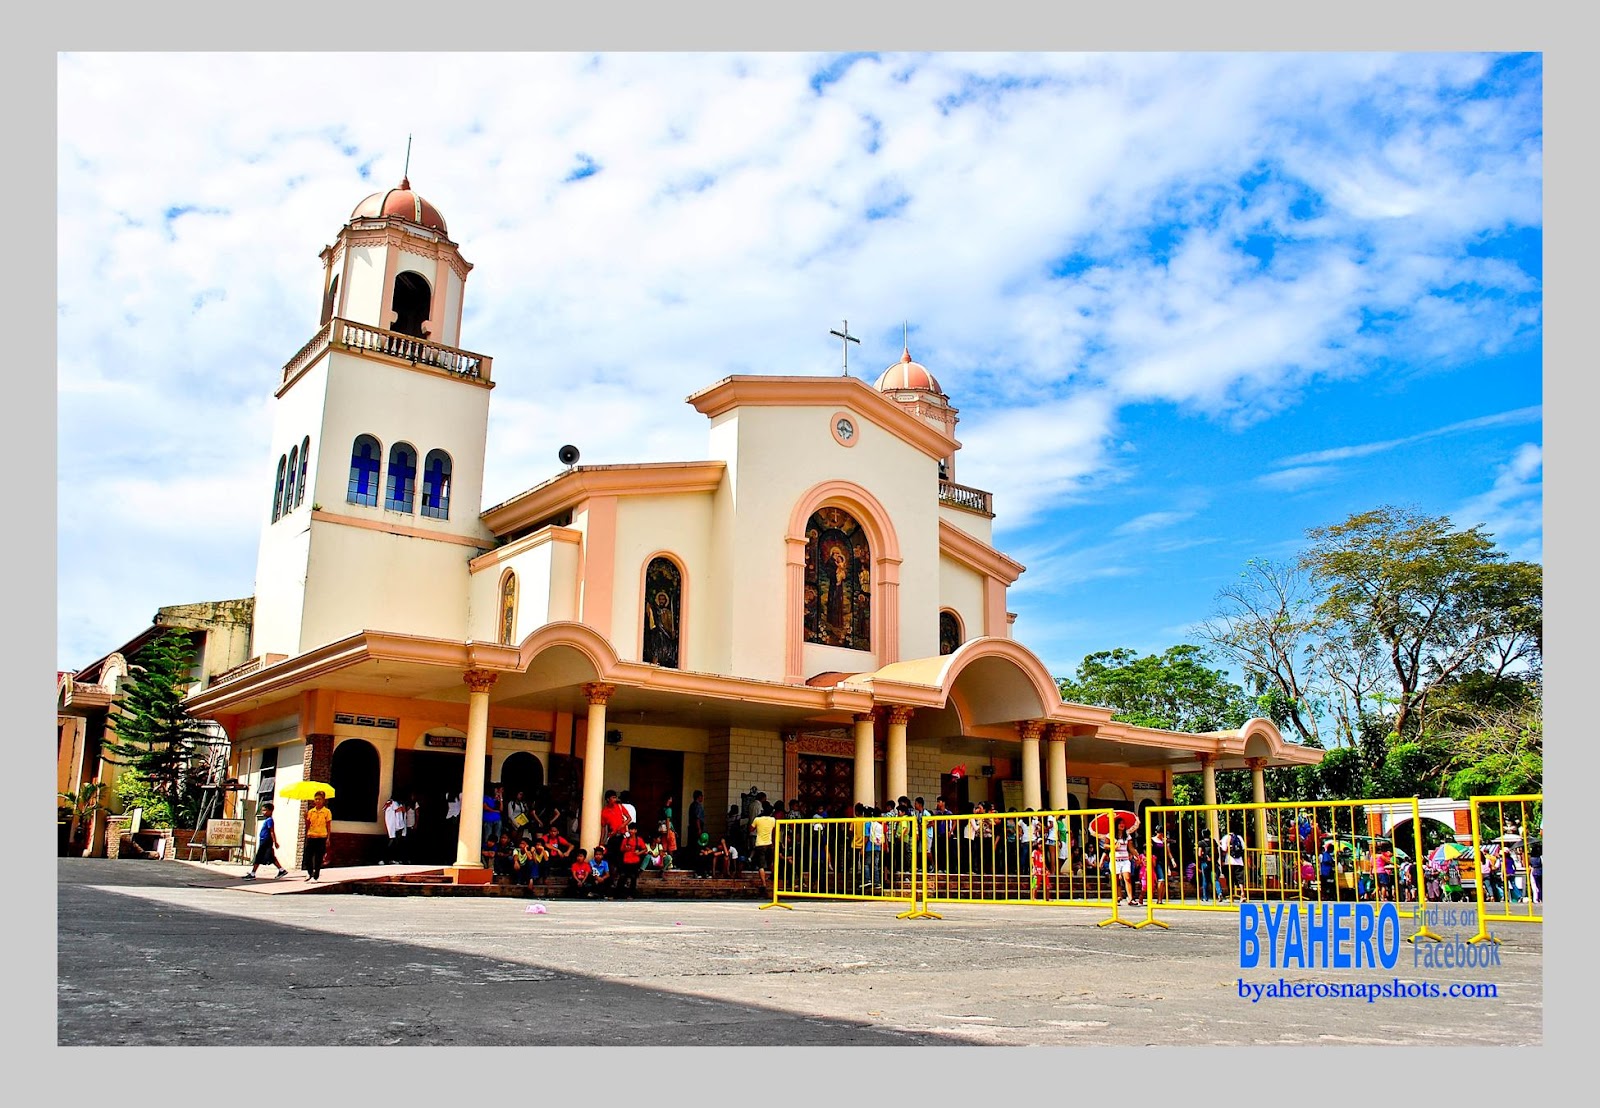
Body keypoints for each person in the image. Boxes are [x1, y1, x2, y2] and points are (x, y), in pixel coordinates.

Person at [244, 802, 289, 879]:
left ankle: (252, 873)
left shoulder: (270, 820)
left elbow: (272, 831)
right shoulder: (267, 820)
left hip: (266, 841)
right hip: (264, 840)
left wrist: (275, 842)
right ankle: (281, 870)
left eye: (264, 810)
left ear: (270, 811)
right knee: (271, 857)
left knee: (259, 856)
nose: (263, 812)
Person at [303, 790, 333, 882]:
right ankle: (310, 873)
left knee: (319, 857)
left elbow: (328, 826)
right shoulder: (311, 812)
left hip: (321, 837)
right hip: (311, 836)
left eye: (319, 799)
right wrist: (305, 818)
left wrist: (328, 838)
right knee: (307, 856)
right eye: (316, 799)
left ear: (323, 800)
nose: (317, 801)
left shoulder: (326, 812)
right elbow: (308, 825)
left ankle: (316, 875)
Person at [614, 822, 649, 898]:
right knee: (622, 877)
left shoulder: (639, 840)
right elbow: (621, 849)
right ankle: (618, 894)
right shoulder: (625, 840)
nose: (631, 831)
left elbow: (645, 849)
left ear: (636, 830)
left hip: (635, 862)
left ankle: (632, 895)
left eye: (633, 829)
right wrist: (625, 849)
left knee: (633, 878)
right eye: (630, 829)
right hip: (626, 861)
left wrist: (639, 853)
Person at [749, 804, 777, 882]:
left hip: (760, 844)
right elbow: (774, 831)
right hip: (769, 843)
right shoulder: (773, 820)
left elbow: (751, 829)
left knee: (761, 866)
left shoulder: (757, 819)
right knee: (771, 862)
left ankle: (764, 883)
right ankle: (773, 877)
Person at [382, 796, 408, 865]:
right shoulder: (391, 802)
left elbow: (403, 812)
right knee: (391, 842)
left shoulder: (399, 803)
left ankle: (394, 859)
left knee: (396, 843)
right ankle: (385, 859)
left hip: (398, 826)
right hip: (392, 826)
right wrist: (398, 810)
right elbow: (387, 810)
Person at [1113, 829, 1134, 904]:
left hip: (1125, 859)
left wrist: (1136, 855)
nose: (1122, 825)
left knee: (1127, 878)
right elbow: (1105, 845)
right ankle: (1116, 897)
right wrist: (1114, 846)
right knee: (1116, 880)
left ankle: (1130, 898)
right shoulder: (1111, 834)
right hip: (1115, 860)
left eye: (1123, 823)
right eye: (1120, 823)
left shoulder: (1127, 835)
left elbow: (1131, 847)